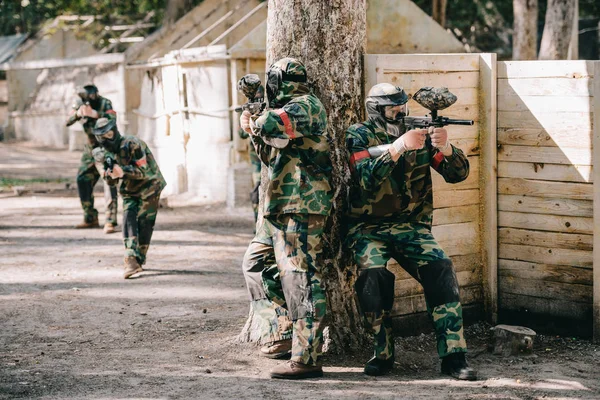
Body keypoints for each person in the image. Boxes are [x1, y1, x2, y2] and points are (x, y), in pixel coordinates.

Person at [345, 83, 477, 380]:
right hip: (368, 228)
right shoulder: (359, 134)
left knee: (442, 269)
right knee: (373, 278)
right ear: (376, 110)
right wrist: (398, 147)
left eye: (404, 107)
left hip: (412, 227)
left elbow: (457, 174)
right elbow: (365, 178)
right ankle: (383, 354)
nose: (401, 112)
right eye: (394, 109)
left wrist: (445, 147)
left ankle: (454, 357)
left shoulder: (422, 136)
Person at [239, 57, 332, 379]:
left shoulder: (306, 105)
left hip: (304, 202)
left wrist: (254, 120)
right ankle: (279, 332)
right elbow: (268, 155)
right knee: (255, 263)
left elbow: (269, 124)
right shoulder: (283, 112)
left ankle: (307, 357)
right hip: (279, 204)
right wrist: (252, 129)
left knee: (300, 277)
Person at [92, 116, 166, 279]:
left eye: (109, 134)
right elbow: (108, 181)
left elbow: (145, 171)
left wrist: (123, 171)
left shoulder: (132, 144)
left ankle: (139, 258)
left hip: (150, 185)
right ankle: (131, 259)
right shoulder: (100, 154)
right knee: (129, 218)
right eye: (102, 136)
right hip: (129, 190)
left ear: (115, 131)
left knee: (145, 223)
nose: (106, 139)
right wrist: (110, 174)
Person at [66, 84, 119, 234]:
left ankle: (110, 221)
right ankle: (90, 217)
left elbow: (112, 118)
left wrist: (95, 114)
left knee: (109, 180)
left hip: (106, 147)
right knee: (82, 179)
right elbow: (67, 120)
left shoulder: (105, 103)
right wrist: (78, 114)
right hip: (90, 148)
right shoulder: (79, 103)